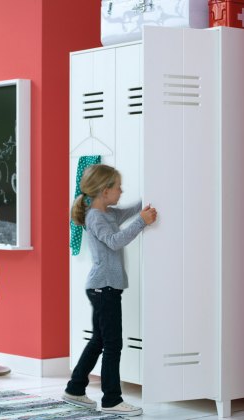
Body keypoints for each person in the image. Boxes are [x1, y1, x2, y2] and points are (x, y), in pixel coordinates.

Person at [63, 164, 157, 417]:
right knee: (112, 344)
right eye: (117, 187)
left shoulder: (109, 212)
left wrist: (156, 188)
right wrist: (142, 223)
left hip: (104, 288)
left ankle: (75, 388)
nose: (121, 190)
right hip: (104, 288)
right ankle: (112, 399)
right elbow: (115, 241)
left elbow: (133, 209)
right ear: (105, 191)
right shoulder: (96, 217)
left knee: (99, 341)